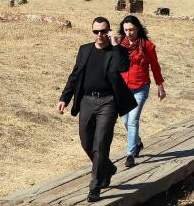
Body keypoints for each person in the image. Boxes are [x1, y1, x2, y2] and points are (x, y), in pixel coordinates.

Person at [57, 17, 137, 202]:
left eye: (103, 31)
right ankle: (107, 168)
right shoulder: (85, 50)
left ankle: (95, 186)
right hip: (86, 101)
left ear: (109, 31)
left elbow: (123, 67)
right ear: (92, 32)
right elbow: (75, 75)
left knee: (101, 144)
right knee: (87, 142)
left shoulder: (116, 50)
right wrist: (64, 98)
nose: (100, 35)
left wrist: (116, 45)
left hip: (108, 102)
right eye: (96, 31)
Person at [118, 15, 166, 168]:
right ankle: (137, 143)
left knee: (133, 120)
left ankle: (130, 154)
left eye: (131, 30)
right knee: (125, 121)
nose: (129, 33)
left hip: (141, 87)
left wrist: (160, 86)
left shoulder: (147, 46)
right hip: (123, 88)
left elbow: (155, 66)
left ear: (138, 29)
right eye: (126, 30)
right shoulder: (119, 44)